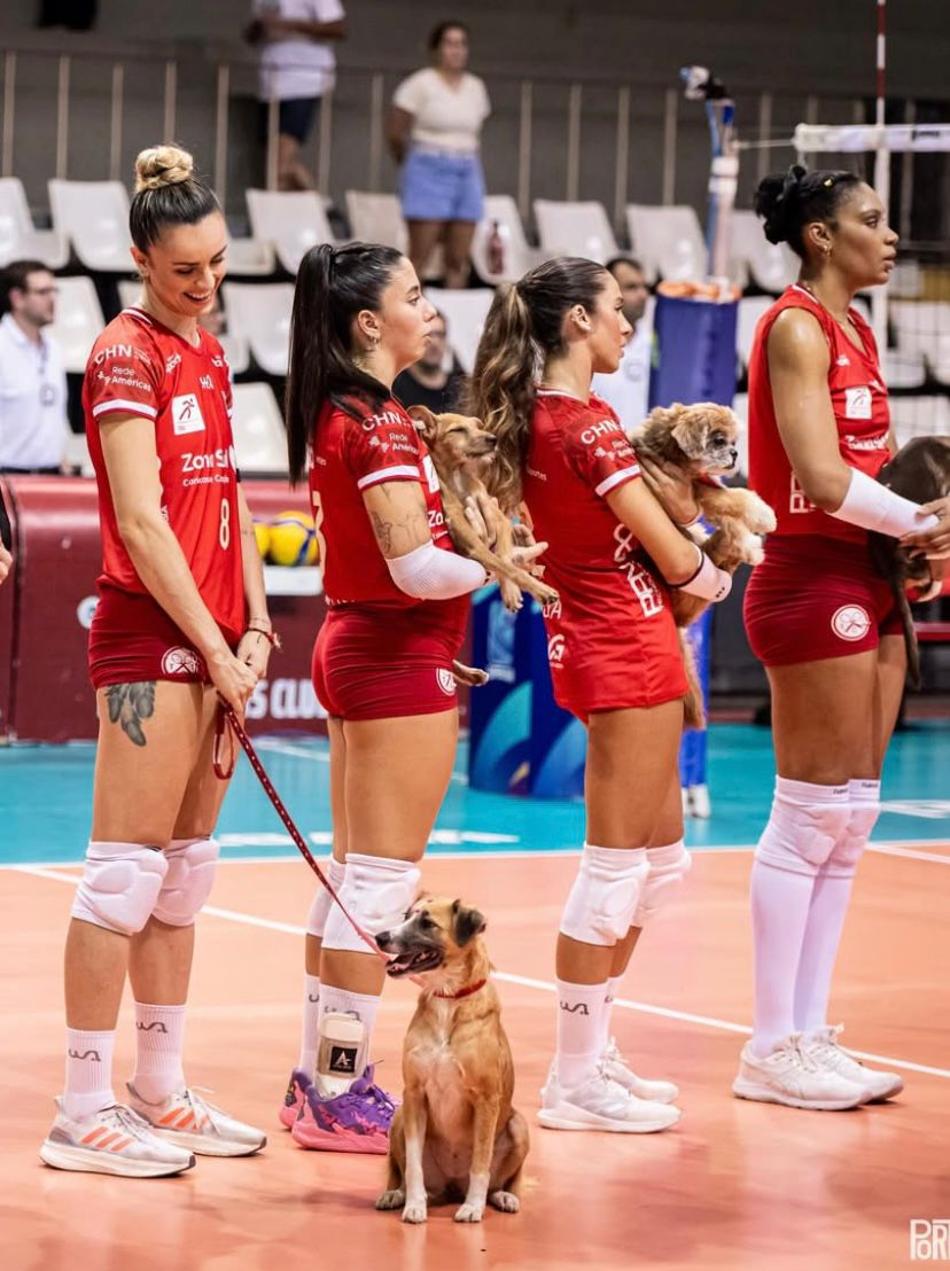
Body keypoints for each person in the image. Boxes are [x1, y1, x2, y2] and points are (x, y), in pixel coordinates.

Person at [278, 240, 544, 1152]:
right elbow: (415, 563)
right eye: (416, 296)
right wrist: (493, 563)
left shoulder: (355, 411)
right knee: (381, 887)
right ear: (367, 323)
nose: (430, 310)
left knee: (357, 876)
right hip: (393, 657)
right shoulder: (379, 421)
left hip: (366, 646)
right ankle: (338, 1091)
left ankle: (320, 1079)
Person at [39, 145, 273, 1177]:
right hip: (151, 635)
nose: (206, 283)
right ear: (141, 259)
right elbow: (140, 516)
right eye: (186, 270)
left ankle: (160, 1088)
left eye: (218, 263)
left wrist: (256, 624)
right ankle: (81, 1105)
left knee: (182, 875)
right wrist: (215, 646)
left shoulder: (211, 353)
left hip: (220, 637)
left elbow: (225, 497)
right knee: (124, 873)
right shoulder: (121, 354)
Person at [469, 257, 733, 1133]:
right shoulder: (583, 425)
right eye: (618, 311)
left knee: (660, 862)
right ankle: (573, 1078)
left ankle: (596, 1050)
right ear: (577, 321)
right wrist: (724, 556)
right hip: (621, 645)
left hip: (629, 641)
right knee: (616, 867)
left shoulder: (564, 419)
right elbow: (674, 553)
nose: (628, 325)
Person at [735, 165, 950, 1111]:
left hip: (863, 578)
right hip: (809, 580)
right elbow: (821, 480)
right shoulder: (794, 326)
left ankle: (808, 1034)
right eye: (870, 220)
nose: (890, 235)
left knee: (853, 816)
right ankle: (770, 1044)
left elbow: (866, 478)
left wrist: (913, 540)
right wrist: (914, 517)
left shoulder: (861, 327)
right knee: (810, 813)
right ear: (820, 236)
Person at [388, 21, 490, 289]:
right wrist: (411, 167)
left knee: (458, 257)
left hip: (467, 166)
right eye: (449, 44)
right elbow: (396, 132)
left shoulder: (475, 86)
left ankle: (454, 315)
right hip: (428, 164)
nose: (456, 51)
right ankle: (410, 314)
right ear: (436, 49)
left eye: (461, 44)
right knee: (421, 254)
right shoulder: (419, 84)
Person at [245, 0, 347, 192]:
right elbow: (252, 35)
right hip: (272, 83)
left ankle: (304, 208)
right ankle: (320, 205)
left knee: (280, 165)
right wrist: (260, 27)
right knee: (277, 162)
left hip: (305, 79)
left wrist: (290, 24)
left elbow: (338, 28)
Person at [0, 259, 68, 474]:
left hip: (51, 473)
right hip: (7, 475)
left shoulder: (54, 348)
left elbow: (53, 412)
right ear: (17, 298)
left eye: (54, 291)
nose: (52, 299)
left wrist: (61, 456)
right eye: (42, 292)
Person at [590, 256, 651, 430]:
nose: (643, 295)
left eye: (644, 287)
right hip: (602, 449)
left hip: (645, 453)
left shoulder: (660, 348)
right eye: (632, 287)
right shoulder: (588, 345)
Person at [392, 307, 464, 413]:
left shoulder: (460, 387)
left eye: (440, 335)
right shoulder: (395, 388)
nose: (434, 343)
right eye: (428, 335)